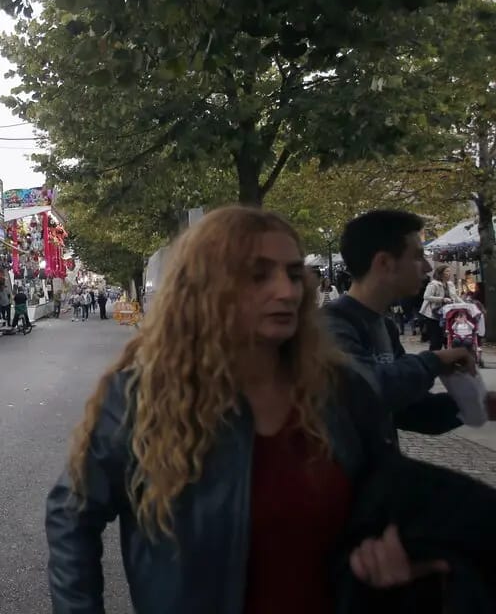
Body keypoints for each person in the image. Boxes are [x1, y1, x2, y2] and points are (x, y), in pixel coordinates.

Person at [46, 206, 445, 613]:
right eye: (258, 275)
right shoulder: (142, 397)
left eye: (292, 274)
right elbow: (72, 516)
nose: (286, 291)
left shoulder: (342, 391)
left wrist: (391, 551)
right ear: (205, 288)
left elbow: (384, 506)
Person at [324, 210, 473, 441]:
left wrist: (473, 403)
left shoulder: (386, 327)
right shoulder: (331, 326)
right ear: (384, 263)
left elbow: (406, 409)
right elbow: (366, 391)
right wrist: (434, 361)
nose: (425, 267)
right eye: (417, 256)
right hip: (348, 475)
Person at [421, 264, 460, 351]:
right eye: (447, 271)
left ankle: (446, 358)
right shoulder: (433, 284)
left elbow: (455, 297)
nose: (449, 273)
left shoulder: (450, 284)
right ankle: (432, 358)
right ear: (441, 273)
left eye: (449, 271)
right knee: (436, 340)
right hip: (434, 315)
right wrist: (442, 299)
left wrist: (465, 304)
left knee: (447, 338)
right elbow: (426, 296)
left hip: (447, 315)